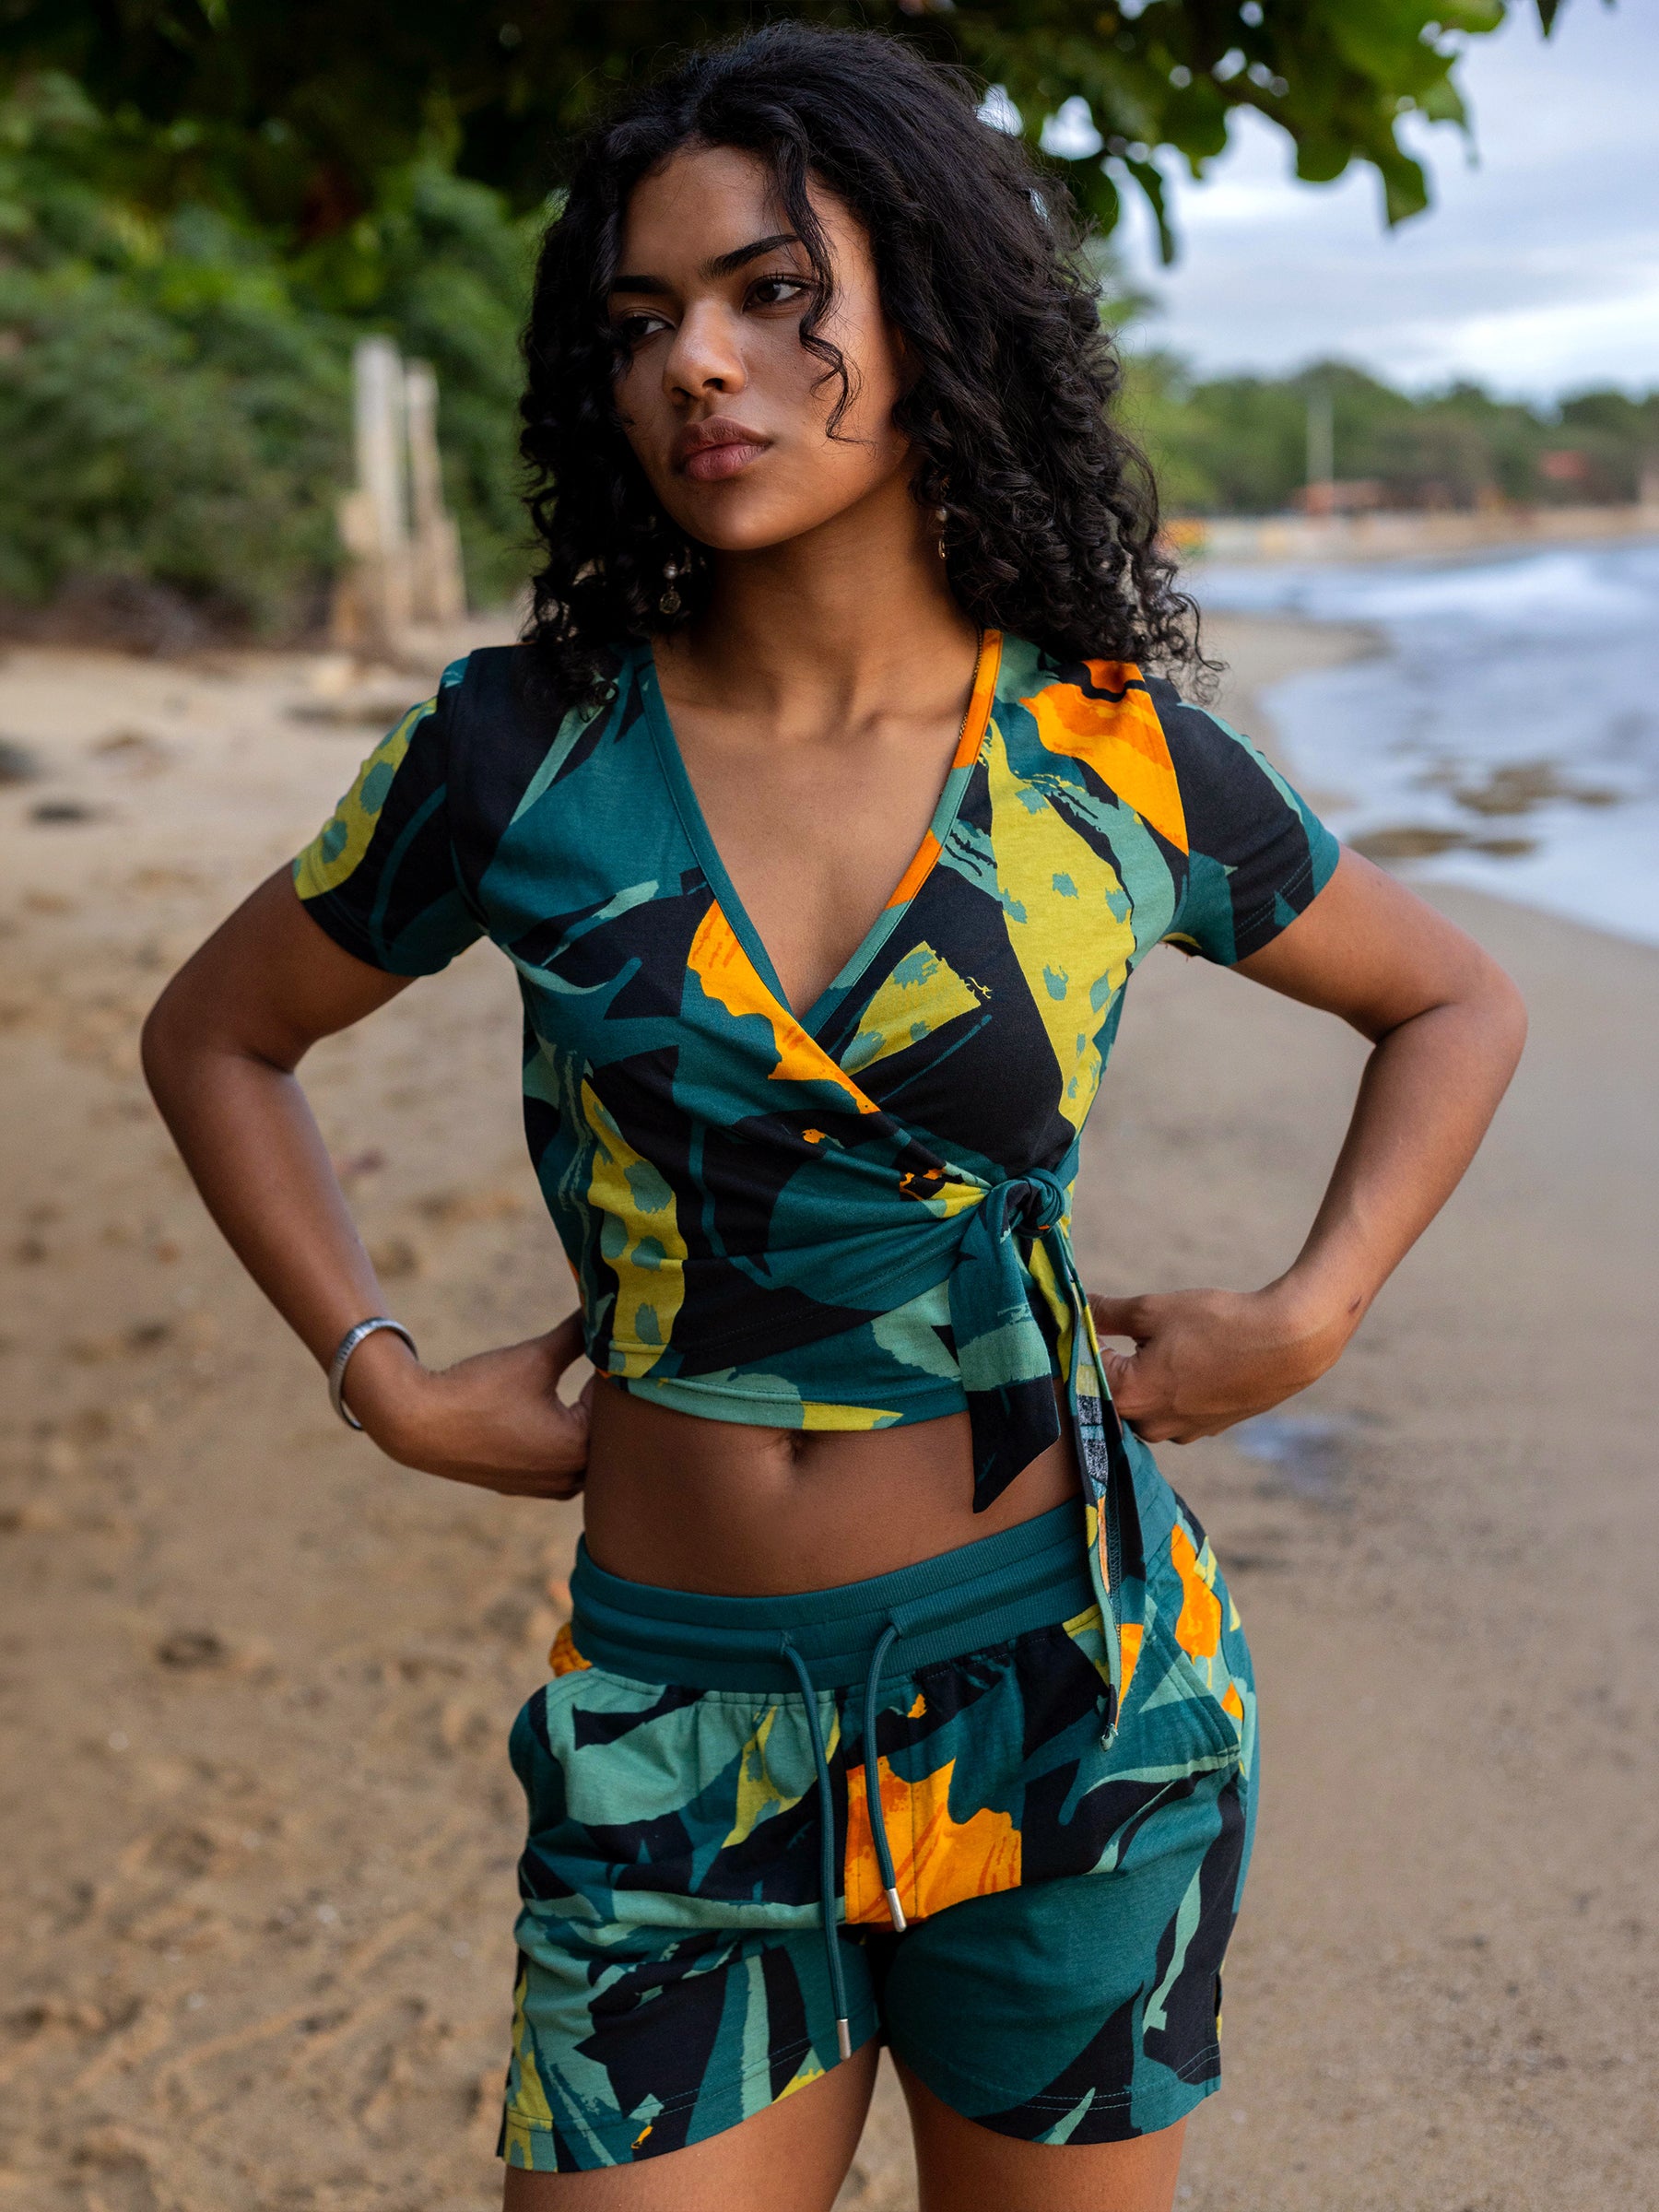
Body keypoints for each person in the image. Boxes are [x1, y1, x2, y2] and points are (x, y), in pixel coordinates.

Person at [141, 26, 1526, 2211]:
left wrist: (1315, 1308)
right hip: (677, 1725)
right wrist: (378, 1374)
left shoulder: (1106, 755)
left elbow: (1452, 995)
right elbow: (217, 1034)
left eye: (774, 294)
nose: (702, 363)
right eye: (645, 321)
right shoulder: (519, 758)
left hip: (1063, 1697)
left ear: (931, 318)